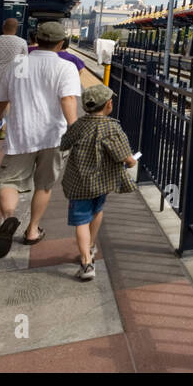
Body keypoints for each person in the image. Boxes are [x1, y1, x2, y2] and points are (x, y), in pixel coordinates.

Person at [0, 19, 81, 258]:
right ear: (62, 43)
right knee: (44, 185)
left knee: (9, 181)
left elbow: (2, 97)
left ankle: (9, 218)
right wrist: (75, 131)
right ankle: (32, 231)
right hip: (54, 136)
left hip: (21, 134)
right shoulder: (65, 67)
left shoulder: (19, 63)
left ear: (36, 40)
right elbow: (68, 100)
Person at [59, 83, 136, 281]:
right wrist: (131, 161)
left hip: (78, 181)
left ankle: (86, 262)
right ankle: (89, 249)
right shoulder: (112, 127)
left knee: (81, 220)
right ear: (108, 105)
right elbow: (124, 156)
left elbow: (64, 143)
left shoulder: (79, 125)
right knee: (97, 210)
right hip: (102, 182)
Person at [0, 17, 27, 139]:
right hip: (11, 77)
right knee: (5, 102)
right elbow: (23, 62)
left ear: (3, 28)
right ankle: (2, 130)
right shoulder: (22, 42)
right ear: (16, 29)